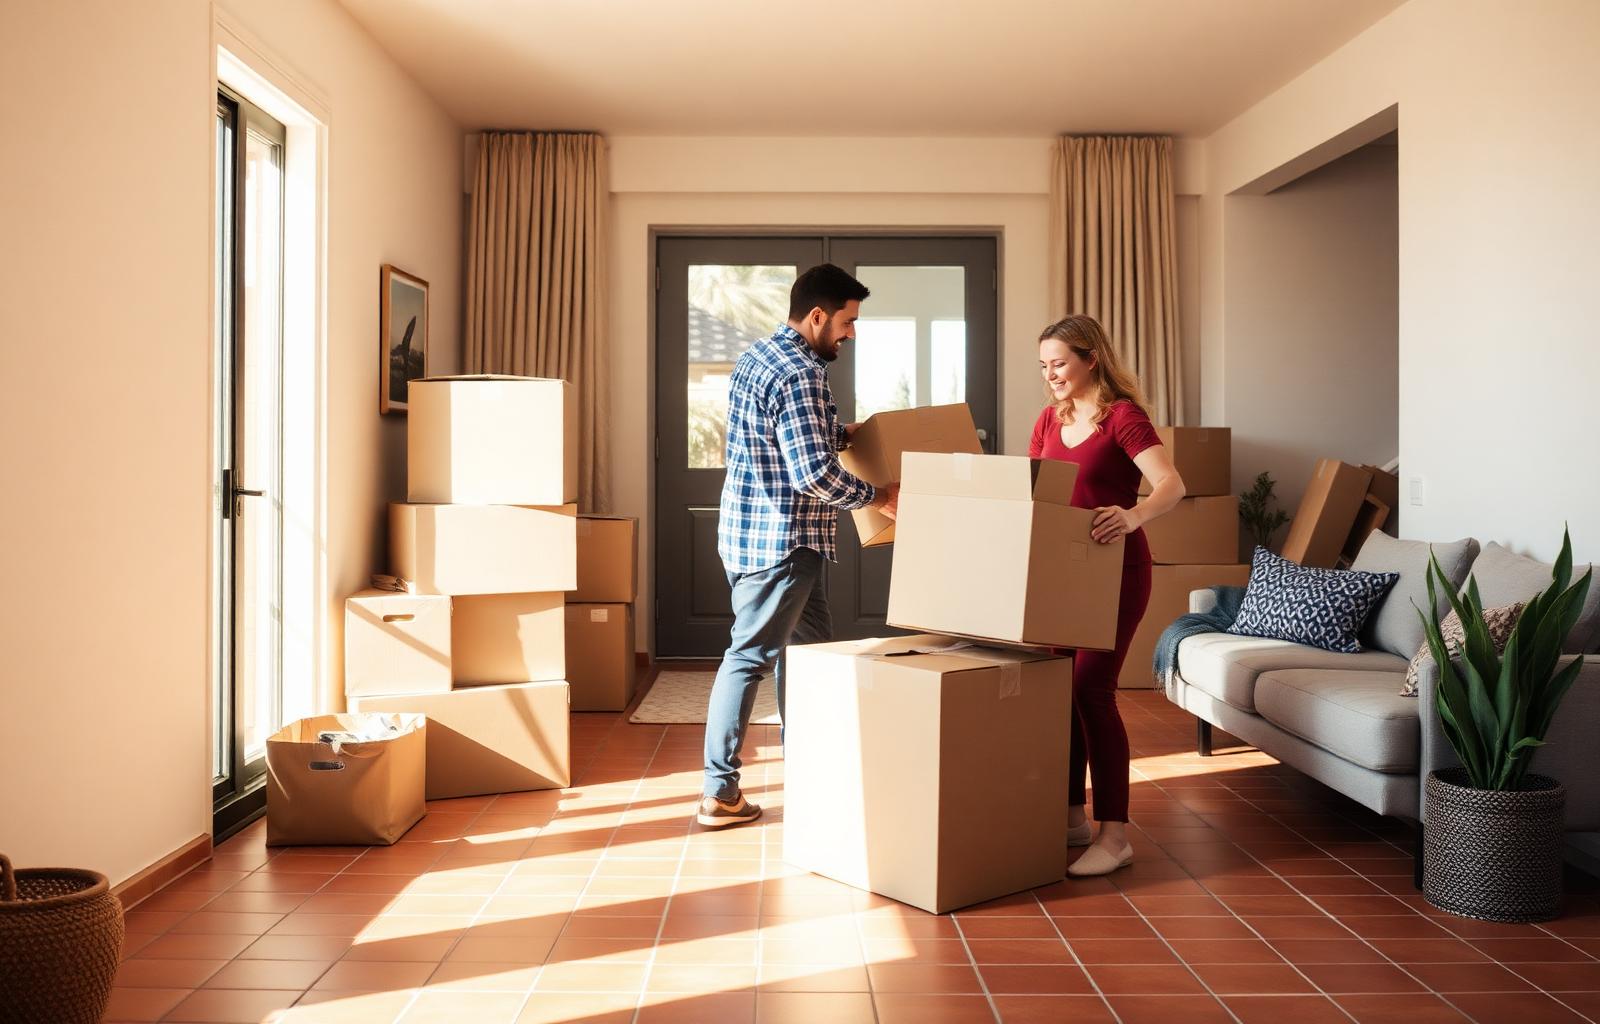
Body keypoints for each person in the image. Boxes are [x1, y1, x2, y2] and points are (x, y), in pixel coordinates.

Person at [699, 263, 899, 829]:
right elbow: (812, 473)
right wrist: (878, 496)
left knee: (807, 656)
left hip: (751, 535)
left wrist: (842, 434)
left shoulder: (759, 356)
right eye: (846, 322)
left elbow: (782, 432)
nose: (850, 334)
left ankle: (810, 767)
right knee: (750, 658)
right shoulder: (801, 374)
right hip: (782, 544)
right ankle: (718, 791)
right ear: (817, 316)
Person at [1029, 314, 1186, 876]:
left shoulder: (1123, 417)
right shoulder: (1049, 420)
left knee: (1092, 688)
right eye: (1044, 366)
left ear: (1091, 358)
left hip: (1117, 571)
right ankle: (1072, 816)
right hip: (1061, 576)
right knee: (1058, 690)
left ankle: (1114, 834)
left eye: (1060, 364)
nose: (1051, 375)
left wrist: (1133, 513)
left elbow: (1172, 484)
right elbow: (1039, 496)